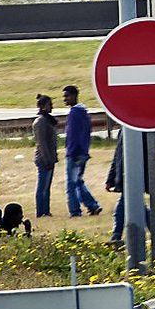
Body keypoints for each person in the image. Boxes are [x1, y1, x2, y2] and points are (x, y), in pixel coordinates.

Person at [62, 85, 102, 218]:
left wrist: (71, 152)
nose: (65, 99)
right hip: (83, 152)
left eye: (67, 96)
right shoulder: (84, 112)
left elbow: (73, 136)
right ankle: (92, 205)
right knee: (78, 181)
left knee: (71, 184)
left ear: (74, 96)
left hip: (74, 154)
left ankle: (75, 211)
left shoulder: (74, 113)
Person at [33, 94, 58, 218]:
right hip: (44, 158)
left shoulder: (48, 119)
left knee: (47, 187)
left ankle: (46, 210)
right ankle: (40, 211)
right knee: (42, 187)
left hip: (50, 158)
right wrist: (47, 159)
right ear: (42, 106)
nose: (52, 106)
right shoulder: (40, 121)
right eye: (49, 104)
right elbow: (41, 143)